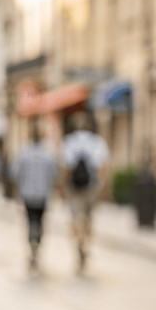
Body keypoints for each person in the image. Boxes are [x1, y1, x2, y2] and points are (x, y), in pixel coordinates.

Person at [61, 112, 109, 273]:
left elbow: (65, 169)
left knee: (77, 218)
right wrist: (102, 188)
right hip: (91, 187)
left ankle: (79, 244)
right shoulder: (97, 142)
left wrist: (61, 188)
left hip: (74, 189)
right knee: (88, 219)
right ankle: (85, 242)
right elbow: (103, 168)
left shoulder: (69, 142)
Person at [12, 125, 57, 271]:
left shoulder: (24, 152)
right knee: (41, 220)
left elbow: (15, 173)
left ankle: (31, 246)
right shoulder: (47, 154)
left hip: (27, 194)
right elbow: (54, 174)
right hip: (43, 194)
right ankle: (37, 244)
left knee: (29, 220)